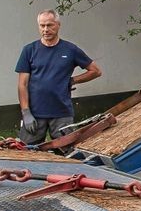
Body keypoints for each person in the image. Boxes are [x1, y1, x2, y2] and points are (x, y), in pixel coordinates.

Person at [15, 9, 101, 144]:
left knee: (66, 151)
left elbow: (95, 71)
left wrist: (73, 80)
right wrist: (26, 112)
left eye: (50, 25)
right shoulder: (29, 50)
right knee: (27, 152)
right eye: (42, 26)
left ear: (58, 25)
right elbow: (22, 84)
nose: (45, 29)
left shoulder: (70, 50)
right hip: (35, 113)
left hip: (62, 113)